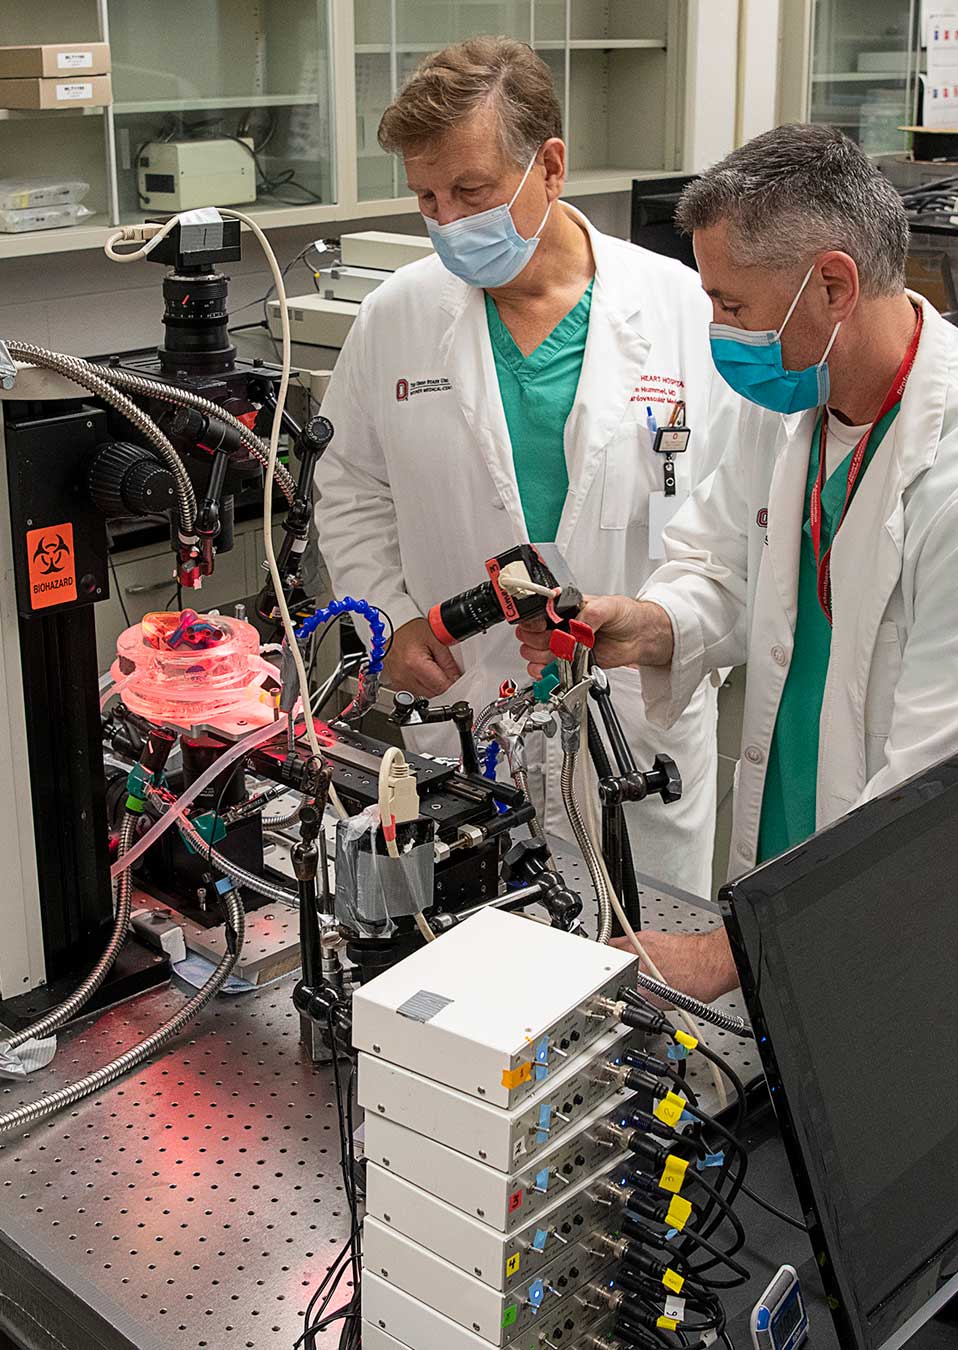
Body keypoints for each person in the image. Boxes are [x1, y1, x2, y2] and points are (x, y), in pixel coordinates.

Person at [515, 124, 958, 997]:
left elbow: (945, 789)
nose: (717, 332)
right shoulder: (797, 400)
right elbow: (725, 563)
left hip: (925, 910)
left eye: (732, 306)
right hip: (794, 864)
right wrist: (652, 623)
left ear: (832, 286)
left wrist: (727, 956)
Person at [316, 36, 748, 894]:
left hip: (637, 715)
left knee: (645, 950)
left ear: (549, 167)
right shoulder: (394, 319)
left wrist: (667, 627)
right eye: (427, 197)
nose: (448, 221)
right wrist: (391, 624)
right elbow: (350, 488)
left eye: (472, 191)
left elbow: (738, 524)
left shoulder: (681, 310)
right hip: (467, 702)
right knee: (474, 939)